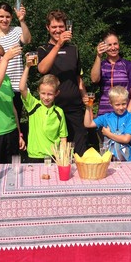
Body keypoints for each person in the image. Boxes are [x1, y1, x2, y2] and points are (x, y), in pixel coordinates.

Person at [37, 10, 88, 157]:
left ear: (66, 27)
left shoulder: (74, 49)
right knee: (57, 151)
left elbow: (78, 77)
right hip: (53, 108)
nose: (58, 30)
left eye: (61, 26)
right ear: (48, 28)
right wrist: (58, 45)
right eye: (54, 27)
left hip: (74, 107)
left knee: (79, 150)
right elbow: (42, 69)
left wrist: (85, 97)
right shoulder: (43, 49)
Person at [0, 2, 32, 124]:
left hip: (16, 86)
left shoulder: (17, 31)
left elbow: (28, 40)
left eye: (7, 17)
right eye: (1, 16)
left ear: (12, 18)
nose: (4, 20)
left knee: (15, 120)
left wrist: (22, 20)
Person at [19, 54, 67, 163]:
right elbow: (22, 88)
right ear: (38, 92)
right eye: (43, 93)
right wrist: (27, 67)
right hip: (34, 155)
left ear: (56, 93)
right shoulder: (33, 105)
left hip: (54, 156)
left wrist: (63, 156)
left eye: (50, 94)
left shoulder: (59, 112)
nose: (46, 97)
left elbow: (63, 136)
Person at [90, 30, 131, 115]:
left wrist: (126, 116)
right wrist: (98, 56)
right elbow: (94, 79)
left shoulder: (128, 66)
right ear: (104, 47)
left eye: (115, 44)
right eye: (109, 45)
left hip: (123, 113)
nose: (113, 48)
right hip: (104, 114)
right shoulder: (101, 65)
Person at [83, 86, 131, 162]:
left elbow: (126, 139)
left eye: (124, 104)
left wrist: (108, 134)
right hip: (108, 161)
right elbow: (88, 124)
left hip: (125, 161)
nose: (121, 107)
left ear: (127, 101)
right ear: (110, 103)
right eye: (117, 105)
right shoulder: (107, 117)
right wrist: (88, 107)